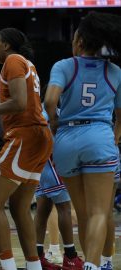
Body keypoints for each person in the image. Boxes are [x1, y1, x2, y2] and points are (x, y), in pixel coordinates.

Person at [44, 11, 121, 270]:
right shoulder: (115, 71)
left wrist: (55, 123)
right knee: (101, 211)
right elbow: (120, 116)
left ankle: (91, 264)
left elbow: (50, 101)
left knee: (83, 212)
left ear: (79, 41)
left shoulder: (64, 66)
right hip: (99, 136)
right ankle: (92, 265)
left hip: (66, 139)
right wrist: (114, 137)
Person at [0, 28, 53, 270]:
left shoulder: (13, 60)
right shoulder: (26, 63)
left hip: (25, 135)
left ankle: (7, 266)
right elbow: (21, 101)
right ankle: (33, 266)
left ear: (6, 45)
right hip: (39, 136)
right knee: (19, 207)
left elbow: (19, 103)